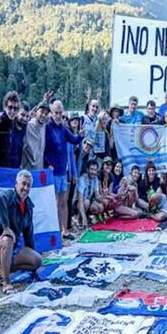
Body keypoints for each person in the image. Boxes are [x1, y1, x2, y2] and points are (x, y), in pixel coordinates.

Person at [0, 170, 42, 295]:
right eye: (23, 184)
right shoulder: (8, 196)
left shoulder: (28, 206)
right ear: (16, 184)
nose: (25, 188)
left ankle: (3, 269)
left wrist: (33, 257)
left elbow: (29, 235)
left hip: (12, 248)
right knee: (8, 237)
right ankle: (6, 282)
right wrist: (6, 227)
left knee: (37, 260)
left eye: (28, 185)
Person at [45, 100, 84, 240]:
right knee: (54, 202)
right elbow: (42, 148)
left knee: (64, 201)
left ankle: (64, 230)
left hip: (63, 171)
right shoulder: (47, 127)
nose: (58, 116)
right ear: (51, 112)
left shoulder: (62, 127)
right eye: (55, 112)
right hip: (52, 170)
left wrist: (80, 135)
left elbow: (74, 140)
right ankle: (55, 230)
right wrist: (46, 163)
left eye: (60, 113)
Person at [21, 101, 50, 170]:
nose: (43, 115)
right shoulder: (27, 126)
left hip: (39, 170)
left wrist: (45, 99)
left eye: (46, 113)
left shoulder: (44, 126)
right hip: (26, 170)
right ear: (36, 112)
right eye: (42, 112)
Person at [76, 160, 103, 228]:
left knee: (100, 206)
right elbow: (80, 200)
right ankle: (79, 219)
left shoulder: (95, 179)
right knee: (86, 202)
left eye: (95, 170)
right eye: (91, 169)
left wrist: (104, 196)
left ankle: (86, 217)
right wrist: (84, 219)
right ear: (87, 169)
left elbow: (97, 196)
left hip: (87, 201)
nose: (93, 172)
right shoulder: (82, 179)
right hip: (79, 203)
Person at [6, 102, 30, 168]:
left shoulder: (26, 127)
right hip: (5, 167)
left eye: (27, 116)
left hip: (18, 167)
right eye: (22, 115)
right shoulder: (8, 126)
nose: (25, 118)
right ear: (16, 113)